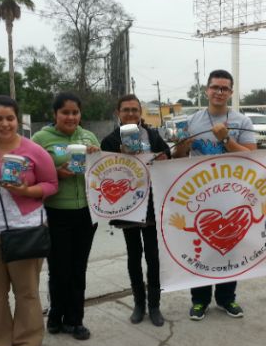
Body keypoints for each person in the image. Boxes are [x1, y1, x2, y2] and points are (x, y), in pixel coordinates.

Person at [0, 96, 58, 346]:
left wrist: (27, 190)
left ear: (17, 120)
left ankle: (27, 339)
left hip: (25, 229)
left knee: (26, 290)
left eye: (10, 118)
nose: (4, 124)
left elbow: (51, 184)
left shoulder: (34, 150)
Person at [172, 69, 257, 321]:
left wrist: (226, 139)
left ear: (231, 92)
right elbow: (178, 158)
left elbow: (252, 156)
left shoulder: (242, 121)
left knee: (230, 247)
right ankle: (199, 300)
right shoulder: (192, 121)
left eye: (224, 88)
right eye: (215, 87)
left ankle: (226, 298)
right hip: (200, 194)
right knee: (199, 250)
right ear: (206, 90)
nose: (219, 92)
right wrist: (181, 147)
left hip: (232, 195)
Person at [32, 93, 100, 340]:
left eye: (75, 112)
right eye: (65, 112)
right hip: (56, 212)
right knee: (59, 269)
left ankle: (75, 320)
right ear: (55, 114)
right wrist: (56, 173)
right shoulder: (41, 139)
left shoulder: (88, 136)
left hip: (86, 213)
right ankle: (55, 316)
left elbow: (102, 171)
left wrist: (96, 155)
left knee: (78, 269)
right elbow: (32, 173)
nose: (71, 117)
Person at [100, 95, 171, 327]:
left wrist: (163, 157)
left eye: (134, 110)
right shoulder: (110, 140)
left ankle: (155, 305)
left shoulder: (152, 135)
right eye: (126, 110)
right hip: (126, 204)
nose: (130, 114)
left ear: (140, 112)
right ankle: (139, 304)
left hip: (150, 203)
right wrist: (121, 156)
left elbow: (167, 157)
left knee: (153, 256)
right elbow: (103, 170)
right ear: (118, 113)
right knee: (133, 256)